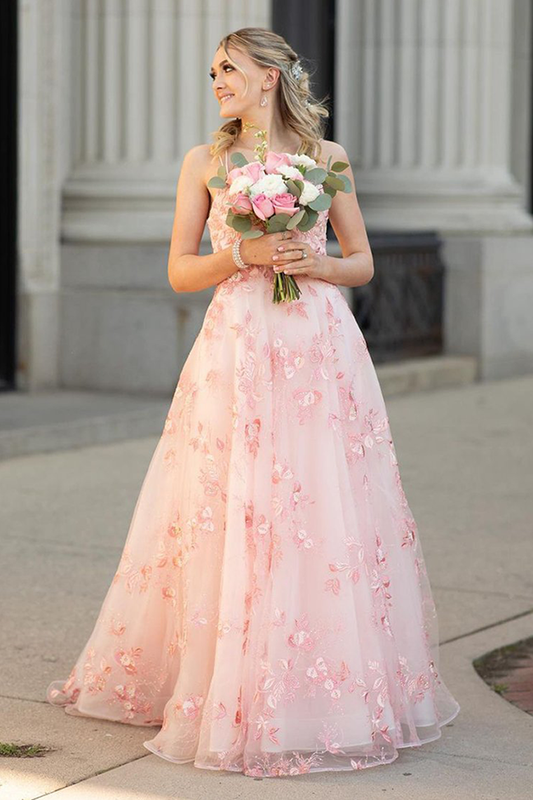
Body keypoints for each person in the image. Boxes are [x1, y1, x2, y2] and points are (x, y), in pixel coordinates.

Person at [46, 27, 460, 778]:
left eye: (229, 69)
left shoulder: (326, 161)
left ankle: (318, 699)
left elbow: (361, 262)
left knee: (316, 512)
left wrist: (317, 261)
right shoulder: (203, 163)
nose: (217, 82)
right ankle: (216, 687)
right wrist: (244, 252)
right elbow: (178, 271)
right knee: (228, 508)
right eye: (212, 72)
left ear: (270, 77)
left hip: (317, 353)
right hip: (236, 348)